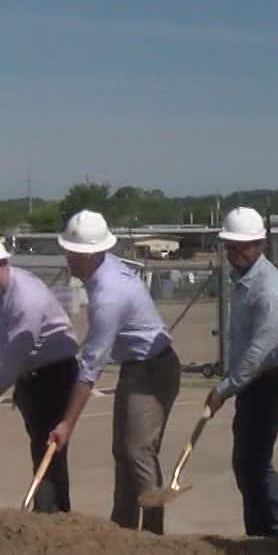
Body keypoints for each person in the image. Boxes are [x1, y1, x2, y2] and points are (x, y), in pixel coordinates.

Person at [48, 210, 180, 533]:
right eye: (68, 250)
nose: (69, 258)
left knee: (138, 452)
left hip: (153, 370)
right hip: (137, 367)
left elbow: (91, 366)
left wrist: (67, 424)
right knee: (123, 450)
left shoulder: (109, 295)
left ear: (93, 253)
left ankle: (152, 534)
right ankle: (121, 528)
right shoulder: (102, 273)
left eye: (75, 253)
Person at [0, 232, 79, 513]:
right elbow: (8, 335)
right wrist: (0, 340)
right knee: (40, 443)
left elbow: (11, 365)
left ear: (5, 263)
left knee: (47, 446)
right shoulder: (3, 290)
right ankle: (56, 512)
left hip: (54, 374)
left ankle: (48, 514)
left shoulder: (27, 299)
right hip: (31, 373)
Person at [203, 207, 278, 542]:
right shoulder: (244, 280)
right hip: (251, 380)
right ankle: (258, 533)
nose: (234, 254)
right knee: (245, 459)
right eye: (229, 247)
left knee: (254, 460)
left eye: (241, 247)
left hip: (268, 378)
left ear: (260, 244)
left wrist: (225, 388)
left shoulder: (268, 290)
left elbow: (260, 352)